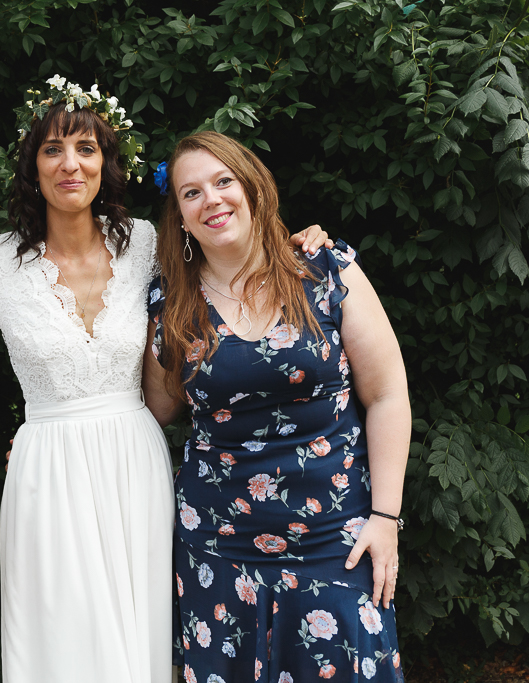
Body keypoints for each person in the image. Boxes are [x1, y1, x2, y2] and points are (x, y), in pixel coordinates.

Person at [0, 78, 330, 683]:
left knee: (141, 638)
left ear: (107, 162)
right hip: (46, 469)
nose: (69, 164)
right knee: (58, 635)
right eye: (51, 149)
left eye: (85, 148)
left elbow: (231, 261)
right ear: (32, 166)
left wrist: (301, 240)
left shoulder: (146, 244)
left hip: (134, 460)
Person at [143, 131, 409, 682]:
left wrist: (385, 518)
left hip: (335, 539)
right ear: (181, 219)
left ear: (253, 187)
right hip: (217, 547)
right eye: (191, 193)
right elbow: (155, 409)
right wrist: (59, 424)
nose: (211, 199)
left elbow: (387, 395)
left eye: (223, 182)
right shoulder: (169, 303)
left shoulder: (326, 270)